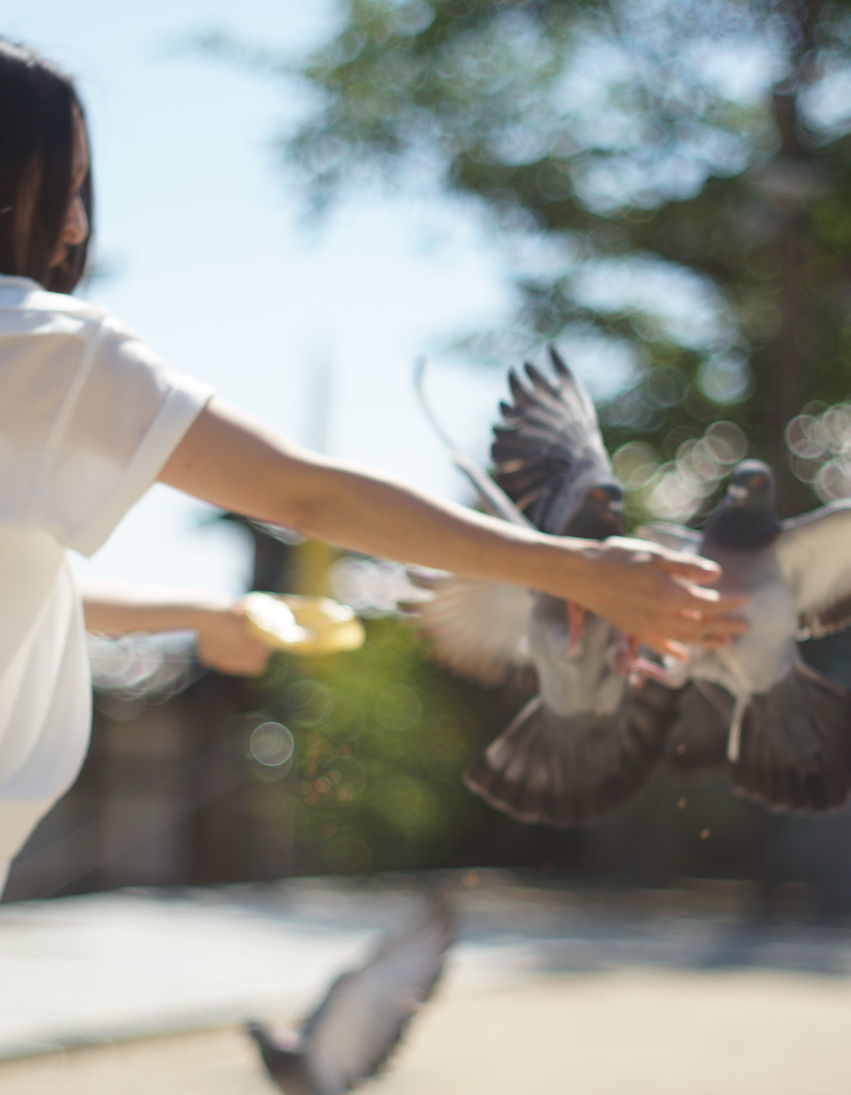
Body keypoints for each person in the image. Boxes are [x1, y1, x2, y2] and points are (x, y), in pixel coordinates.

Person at [0, 37, 746, 890]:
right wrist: (582, 572)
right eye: (60, 186)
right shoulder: (48, 348)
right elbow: (303, 494)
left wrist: (201, 611)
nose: (78, 224)